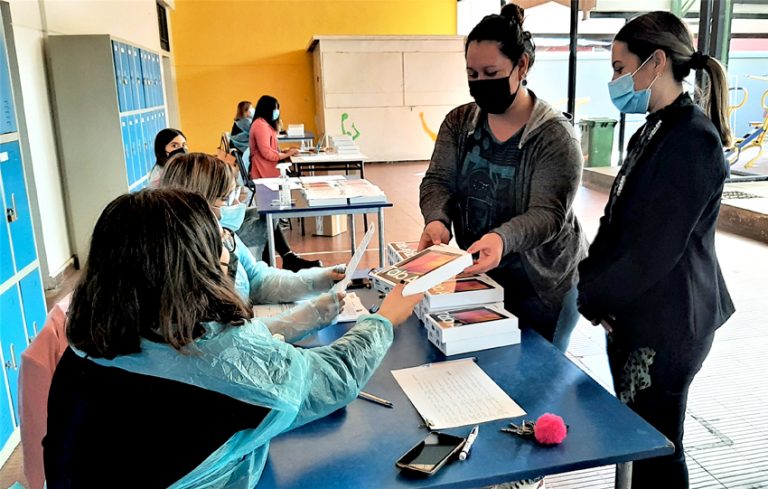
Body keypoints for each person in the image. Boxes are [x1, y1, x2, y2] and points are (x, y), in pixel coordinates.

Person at [43, 188, 421, 488]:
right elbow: (334, 378)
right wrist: (384, 319)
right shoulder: (218, 358)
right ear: (196, 266)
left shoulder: (88, 344)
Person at [577, 11, 734, 488]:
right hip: (636, 313)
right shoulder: (655, 127)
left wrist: (597, 297)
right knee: (640, 441)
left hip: (670, 322)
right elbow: (616, 220)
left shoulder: (692, 142)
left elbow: (656, 251)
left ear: (657, 62)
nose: (615, 80)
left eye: (621, 68)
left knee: (657, 449)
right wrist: (591, 284)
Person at [418, 4, 586, 351]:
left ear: (521, 65)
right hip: (483, 277)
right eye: (472, 75)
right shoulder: (459, 123)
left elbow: (548, 214)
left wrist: (501, 238)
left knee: (535, 384)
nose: (480, 84)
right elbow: (437, 181)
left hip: (542, 287)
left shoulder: (554, 137)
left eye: (491, 72)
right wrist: (437, 220)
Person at [160, 153, 339, 341]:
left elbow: (257, 278)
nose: (237, 205)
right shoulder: (181, 264)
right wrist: (309, 316)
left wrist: (319, 279)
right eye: (225, 199)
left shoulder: (226, 238)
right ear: (197, 204)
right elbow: (228, 340)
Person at [249, 95, 299, 179]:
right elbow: (267, 153)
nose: (277, 111)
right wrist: (288, 154)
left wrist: (283, 152)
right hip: (264, 170)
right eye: (275, 109)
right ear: (267, 109)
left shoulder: (263, 123)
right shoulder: (260, 126)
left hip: (267, 166)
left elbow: (268, 148)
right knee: (298, 177)